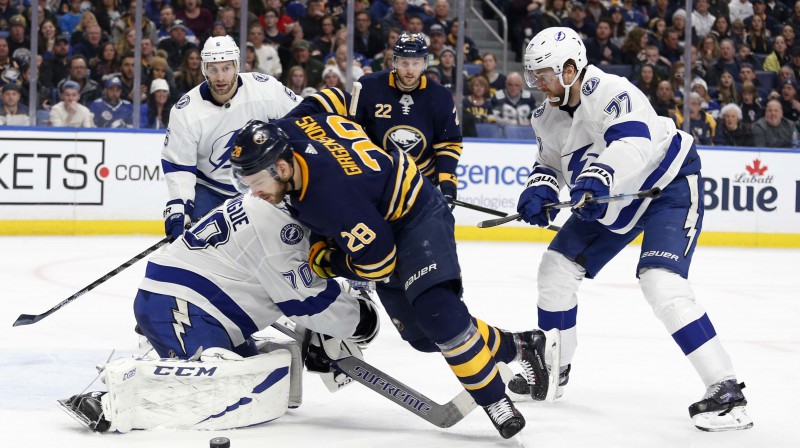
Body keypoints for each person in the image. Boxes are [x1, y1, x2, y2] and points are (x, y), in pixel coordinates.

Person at [229, 114, 559, 440]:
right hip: (378, 218)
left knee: (438, 314)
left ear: (282, 168)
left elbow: (380, 265)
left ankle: (495, 401)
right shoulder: (287, 131)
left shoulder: (329, 198)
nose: (254, 192)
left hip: (415, 216)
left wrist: (328, 262)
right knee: (421, 337)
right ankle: (520, 345)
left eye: (257, 183)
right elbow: (330, 99)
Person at [513, 27, 752, 432]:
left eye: (546, 73)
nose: (538, 82)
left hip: (665, 186)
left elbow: (632, 145)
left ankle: (727, 393)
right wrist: (539, 190)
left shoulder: (612, 90)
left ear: (571, 68)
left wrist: (598, 176)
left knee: (661, 282)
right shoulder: (545, 116)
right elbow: (549, 164)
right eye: (534, 74)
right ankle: (553, 370)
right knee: (555, 268)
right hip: (615, 198)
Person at [58, 193, 381, 433]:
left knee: (255, 382)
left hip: (196, 307)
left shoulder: (269, 202)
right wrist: (363, 322)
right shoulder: (285, 233)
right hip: (180, 306)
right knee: (217, 394)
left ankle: (163, 352)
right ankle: (110, 398)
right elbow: (310, 304)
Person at [161, 35, 300, 242]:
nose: (220, 77)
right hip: (211, 189)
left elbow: (302, 120)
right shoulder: (186, 111)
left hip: (262, 184)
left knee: (293, 235)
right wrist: (180, 208)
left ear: (237, 66)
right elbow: (180, 166)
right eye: (213, 69)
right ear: (204, 69)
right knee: (193, 246)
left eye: (226, 68)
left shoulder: (266, 89)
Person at [316, 33, 462, 205]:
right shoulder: (369, 86)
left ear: (424, 63)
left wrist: (447, 186)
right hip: (376, 178)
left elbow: (448, 143)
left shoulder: (440, 96)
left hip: (421, 182)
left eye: (416, 63)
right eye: (404, 62)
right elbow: (351, 132)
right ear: (394, 61)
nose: (409, 70)